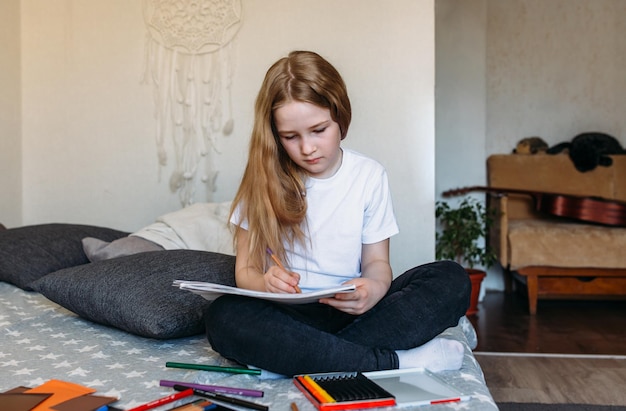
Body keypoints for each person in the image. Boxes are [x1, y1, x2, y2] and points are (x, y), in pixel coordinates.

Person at [204, 50, 471, 377]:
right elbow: (245, 270)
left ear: (340, 117)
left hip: (355, 313)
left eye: (318, 130)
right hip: (289, 315)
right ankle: (392, 363)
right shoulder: (261, 180)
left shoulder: (369, 176)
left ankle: (297, 357)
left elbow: (377, 263)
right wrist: (264, 282)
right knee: (223, 316)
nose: (307, 148)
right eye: (291, 137)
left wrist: (372, 289)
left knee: (451, 278)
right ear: (275, 134)